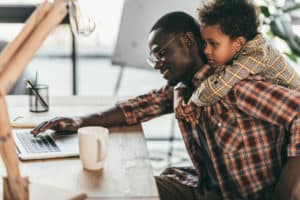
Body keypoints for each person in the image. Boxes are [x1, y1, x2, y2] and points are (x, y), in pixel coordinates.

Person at [30, 11, 300, 200]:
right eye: (153, 57)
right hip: (207, 189)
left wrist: (284, 191)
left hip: (252, 195)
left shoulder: (238, 87)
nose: (157, 63)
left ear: (187, 41)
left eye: (160, 52)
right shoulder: (183, 90)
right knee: (126, 189)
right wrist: (79, 122)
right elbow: (137, 107)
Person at [187, 0, 300, 107]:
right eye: (204, 43)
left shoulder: (255, 55)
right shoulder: (243, 51)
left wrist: (193, 102)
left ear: (238, 44)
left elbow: (220, 85)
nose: (205, 50)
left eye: (213, 43)